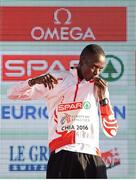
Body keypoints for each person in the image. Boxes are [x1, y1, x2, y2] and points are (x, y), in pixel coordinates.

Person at [7, 44, 118, 179]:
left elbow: (111, 131)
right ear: (82, 60)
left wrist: (103, 100)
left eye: (100, 69)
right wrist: (33, 81)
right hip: (63, 153)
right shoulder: (57, 79)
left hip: (92, 155)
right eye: (94, 66)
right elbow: (11, 94)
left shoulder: (99, 87)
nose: (96, 73)